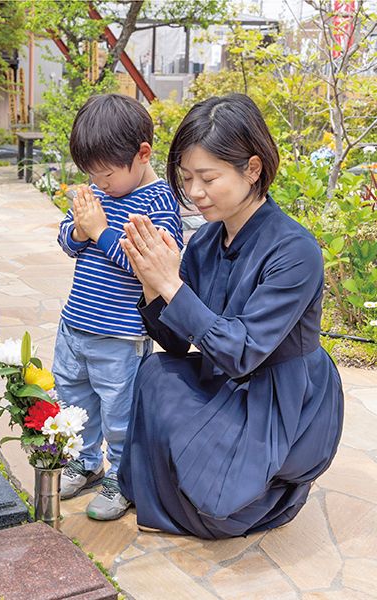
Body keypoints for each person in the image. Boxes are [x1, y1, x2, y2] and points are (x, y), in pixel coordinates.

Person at [117, 93, 344, 538]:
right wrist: (151, 281)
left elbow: (243, 352)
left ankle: (274, 486)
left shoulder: (294, 250)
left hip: (283, 397)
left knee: (217, 514)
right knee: (157, 371)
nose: (195, 193)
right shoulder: (205, 242)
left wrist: (171, 285)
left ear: (252, 169)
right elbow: (178, 343)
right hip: (229, 377)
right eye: (187, 179)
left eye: (208, 177)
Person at [54, 94, 183, 520]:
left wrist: (101, 231)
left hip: (120, 334)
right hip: (75, 324)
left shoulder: (158, 203)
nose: (99, 184)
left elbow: (151, 268)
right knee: (75, 401)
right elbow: (67, 241)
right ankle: (86, 462)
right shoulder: (98, 191)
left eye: (106, 174)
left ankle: (122, 478)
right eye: (92, 174)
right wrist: (79, 230)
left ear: (142, 154)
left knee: (120, 413)